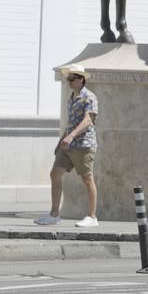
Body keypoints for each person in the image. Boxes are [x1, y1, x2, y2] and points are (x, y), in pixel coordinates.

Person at [36, 64, 100, 227]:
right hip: (68, 145)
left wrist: (71, 136)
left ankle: (92, 217)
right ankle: (54, 214)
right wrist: (61, 141)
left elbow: (88, 121)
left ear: (81, 80)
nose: (69, 82)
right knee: (55, 174)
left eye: (72, 79)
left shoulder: (89, 97)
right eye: (68, 79)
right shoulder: (71, 98)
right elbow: (70, 123)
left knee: (87, 179)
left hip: (84, 145)